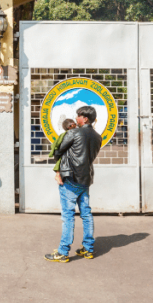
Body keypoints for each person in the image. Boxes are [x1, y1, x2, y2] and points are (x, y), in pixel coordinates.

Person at [45, 105, 102, 262]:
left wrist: (59, 168)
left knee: (68, 215)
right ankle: (88, 249)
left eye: (78, 116)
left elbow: (58, 151)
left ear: (84, 118)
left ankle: (63, 252)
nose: (76, 119)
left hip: (70, 178)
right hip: (86, 178)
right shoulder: (98, 136)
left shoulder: (74, 133)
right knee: (86, 213)